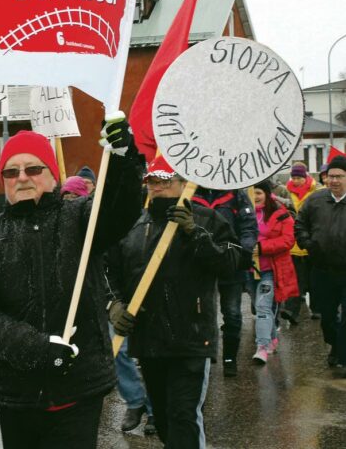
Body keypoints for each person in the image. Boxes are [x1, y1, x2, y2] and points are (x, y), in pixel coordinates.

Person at [0, 114, 144, 449]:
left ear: (52, 175)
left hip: (79, 392)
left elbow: (120, 208)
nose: (22, 177)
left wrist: (123, 157)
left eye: (33, 168)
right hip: (17, 398)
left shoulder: (80, 219)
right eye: (11, 171)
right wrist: (38, 348)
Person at [107, 155, 241, 448]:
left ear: (184, 183)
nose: (156, 186)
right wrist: (114, 304)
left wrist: (195, 233)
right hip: (148, 340)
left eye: (164, 180)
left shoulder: (207, 219)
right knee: (165, 421)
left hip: (191, 339)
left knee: (184, 417)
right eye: (151, 180)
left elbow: (231, 263)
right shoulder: (133, 223)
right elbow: (109, 270)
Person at [192, 186, 257, 377]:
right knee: (200, 313)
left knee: (232, 314)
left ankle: (229, 358)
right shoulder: (191, 194)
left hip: (230, 265)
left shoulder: (236, 195)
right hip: (201, 265)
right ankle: (205, 353)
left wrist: (243, 251)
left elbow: (248, 226)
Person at [294, 155, 346, 376]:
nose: (334, 181)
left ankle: (343, 357)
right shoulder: (315, 200)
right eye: (330, 176)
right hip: (322, 269)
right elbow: (299, 223)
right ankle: (335, 345)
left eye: (339, 177)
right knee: (326, 317)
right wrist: (308, 243)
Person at [249, 181, 299, 364]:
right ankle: (271, 339)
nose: (255, 197)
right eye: (252, 193)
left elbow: (288, 240)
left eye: (259, 193)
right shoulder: (244, 215)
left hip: (271, 270)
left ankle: (261, 347)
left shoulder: (281, 215)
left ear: (268, 194)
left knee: (262, 307)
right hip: (250, 270)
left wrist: (262, 247)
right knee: (262, 307)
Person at [281, 163, 321, 324]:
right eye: (294, 177)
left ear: (305, 177)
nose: (296, 181)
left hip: (312, 242)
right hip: (294, 244)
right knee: (295, 279)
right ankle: (291, 312)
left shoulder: (316, 191)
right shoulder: (287, 191)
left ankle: (318, 309)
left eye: (299, 178)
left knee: (314, 279)